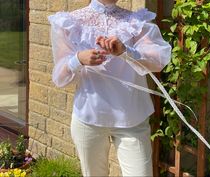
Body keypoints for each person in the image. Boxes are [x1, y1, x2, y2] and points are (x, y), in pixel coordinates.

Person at [48, 0, 171, 176]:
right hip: (89, 118)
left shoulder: (136, 21)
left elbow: (158, 60)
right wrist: (78, 59)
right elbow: (60, 77)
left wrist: (126, 51)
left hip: (131, 119)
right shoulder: (69, 22)